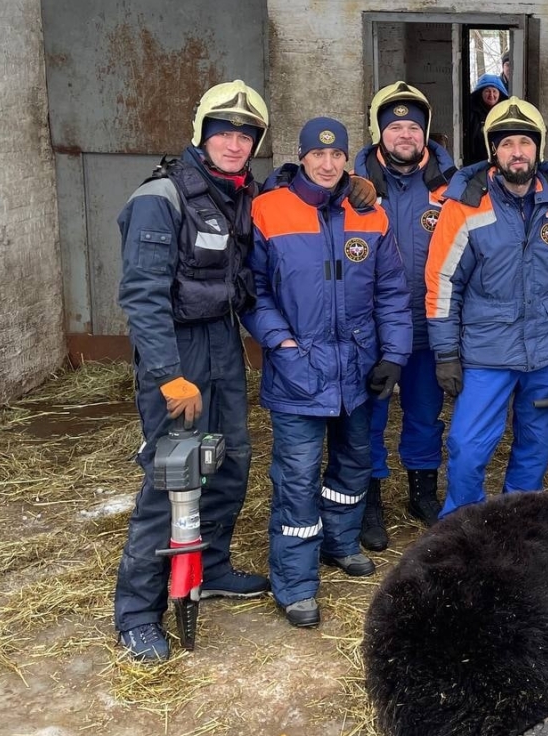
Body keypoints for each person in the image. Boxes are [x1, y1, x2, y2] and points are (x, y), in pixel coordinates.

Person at [114, 80, 271, 661]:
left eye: (246, 135)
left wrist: (357, 188)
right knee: (172, 474)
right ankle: (136, 611)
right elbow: (141, 295)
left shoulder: (239, 192)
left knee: (230, 460)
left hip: (222, 341)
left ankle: (212, 563)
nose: (235, 143)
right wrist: (165, 373)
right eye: (224, 132)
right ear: (202, 135)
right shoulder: (161, 197)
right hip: (176, 348)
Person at [245, 117, 411, 628]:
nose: (327, 163)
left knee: (354, 463)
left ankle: (340, 542)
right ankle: (294, 581)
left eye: (336, 154)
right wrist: (282, 342)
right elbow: (253, 291)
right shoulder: (268, 211)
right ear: (302, 156)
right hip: (299, 369)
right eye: (317, 155)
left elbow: (391, 292)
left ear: (347, 158)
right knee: (296, 476)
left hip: (356, 370)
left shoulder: (369, 215)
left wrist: (394, 355)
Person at [426, 98, 548, 517]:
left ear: (538, 148)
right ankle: (463, 527)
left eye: (525, 142)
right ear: (493, 151)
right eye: (506, 144)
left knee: (535, 446)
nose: (516, 152)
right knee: (467, 447)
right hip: (487, 352)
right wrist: (446, 354)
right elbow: (443, 283)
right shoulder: (465, 205)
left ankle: (518, 526)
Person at [353, 81, 457, 550]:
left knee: (424, 412)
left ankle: (421, 492)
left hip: (428, 322)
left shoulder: (450, 185)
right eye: (394, 126)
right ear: (379, 133)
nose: (404, 135)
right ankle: (368, 497)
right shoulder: (349, 183)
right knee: (368, 416)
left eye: (412, 127)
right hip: (368, 326)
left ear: (425, 133)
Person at [463, 73, 509, 165]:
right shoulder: (470, 112)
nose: (491, 95)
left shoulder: (506, 113)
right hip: (475, 162)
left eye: (494, 91)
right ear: (481, 93)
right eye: (487, 91)